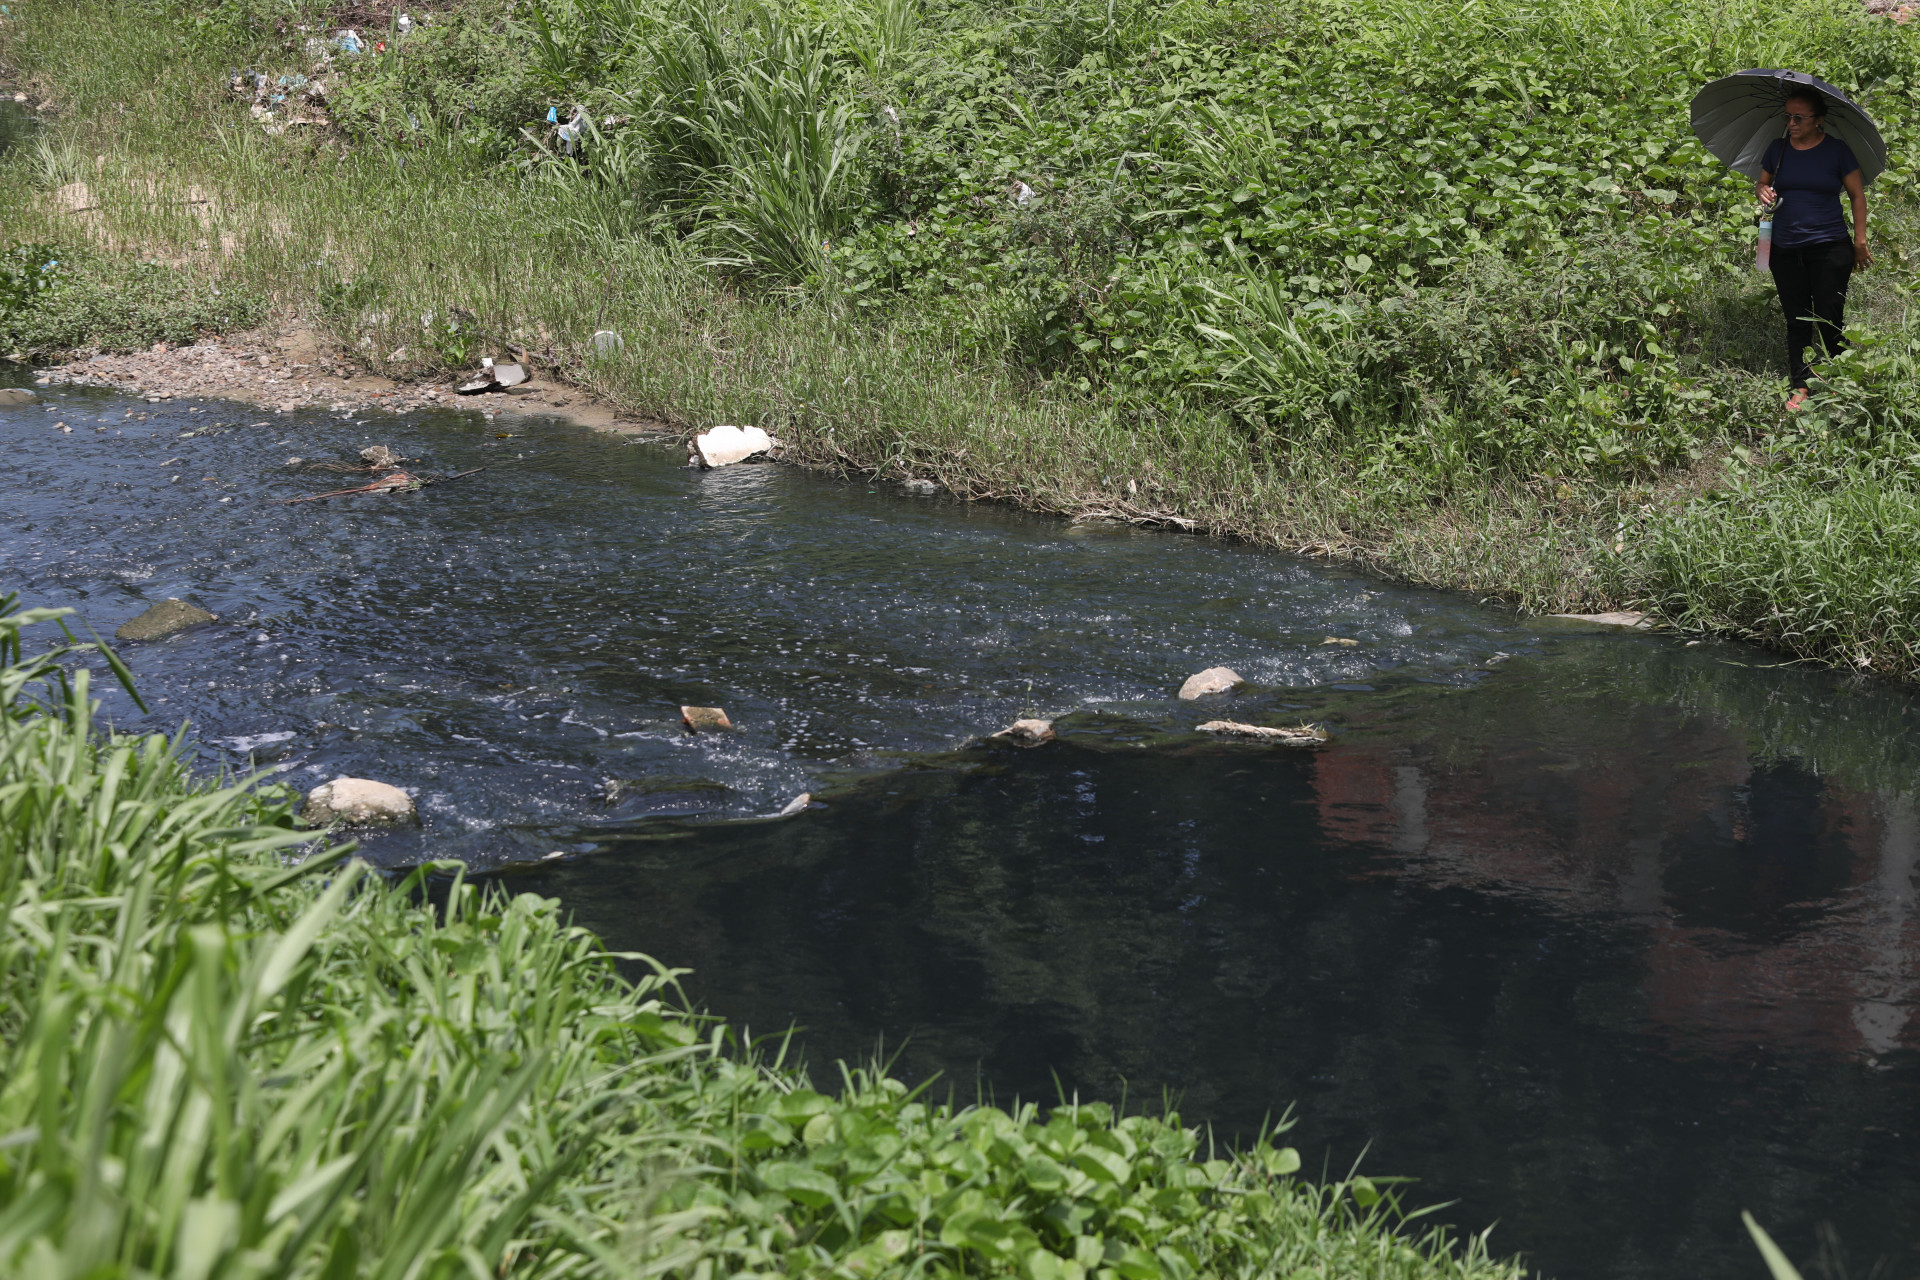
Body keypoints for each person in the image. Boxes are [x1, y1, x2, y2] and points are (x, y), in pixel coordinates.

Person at [1755, 88, 1872, 410]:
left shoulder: (1837, 151)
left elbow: (1857, 196)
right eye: (1787, 117)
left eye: (1799, 118)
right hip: (1784, 248)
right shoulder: (1777, 149)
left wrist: (1860, 241)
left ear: (1818, 120)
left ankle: (1841, 377)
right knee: (1797, 320)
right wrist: (1763, 190)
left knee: (1829, 315)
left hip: (1829, 247)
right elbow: (1761, 183)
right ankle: (1800, 384)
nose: (1791, 123)